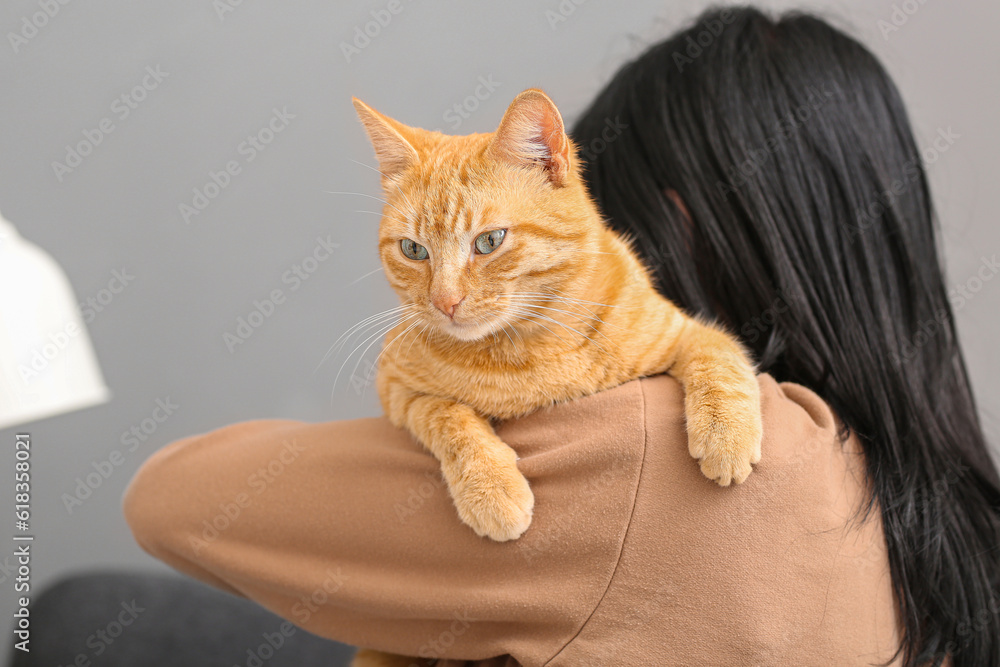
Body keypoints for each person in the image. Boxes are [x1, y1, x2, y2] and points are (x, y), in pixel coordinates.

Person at [123, 7, 1000, 666]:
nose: (450, 291)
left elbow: (168, 500)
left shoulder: (648, 455)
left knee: (88, 609)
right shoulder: (911, 485)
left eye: (610, 196)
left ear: (679, 222)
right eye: (417, 254)